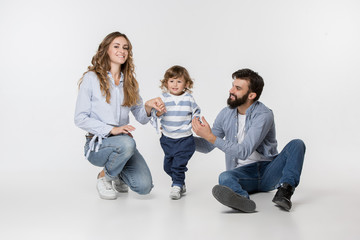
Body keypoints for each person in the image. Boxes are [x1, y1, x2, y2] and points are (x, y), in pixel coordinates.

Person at [192, 68, 305, 212]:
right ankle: (243, 200)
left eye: (237, 88)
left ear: (251, 95)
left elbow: (244, 151)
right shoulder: (225, 113)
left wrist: (210, 136)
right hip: (243, 174)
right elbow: (207, 146)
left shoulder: (264, 115)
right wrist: (178, 139)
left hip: (268, 171)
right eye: (233, 85)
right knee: (224, 177)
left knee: (297, 144)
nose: (231, 90)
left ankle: (285, 192)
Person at [74, 32, 165, 200]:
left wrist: (148, 107)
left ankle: (116, 173)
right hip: (97, 145)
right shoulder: (91, 78)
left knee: (144, 187)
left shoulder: (129, 82)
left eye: (125, 48)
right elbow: (80, 118)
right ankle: (104, 176)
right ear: (106, 50)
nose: (122, 51)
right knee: (127, 142)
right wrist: (112, 130)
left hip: (123, 145)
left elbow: (141, 118)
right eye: (116, 46)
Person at [151, 65, 201, 200]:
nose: (175, 84)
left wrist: (196, 120)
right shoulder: (163, 98)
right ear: (166, 83)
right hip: (167, 139)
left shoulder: (188, 98)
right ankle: (180, 182)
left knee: (178, 165)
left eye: (179, 81)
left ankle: (177, 186)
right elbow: (155, 115)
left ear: (186, 84)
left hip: (185, 139)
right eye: (172, 81)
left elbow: (197, 111)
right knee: (168, 166)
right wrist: (159, 113)